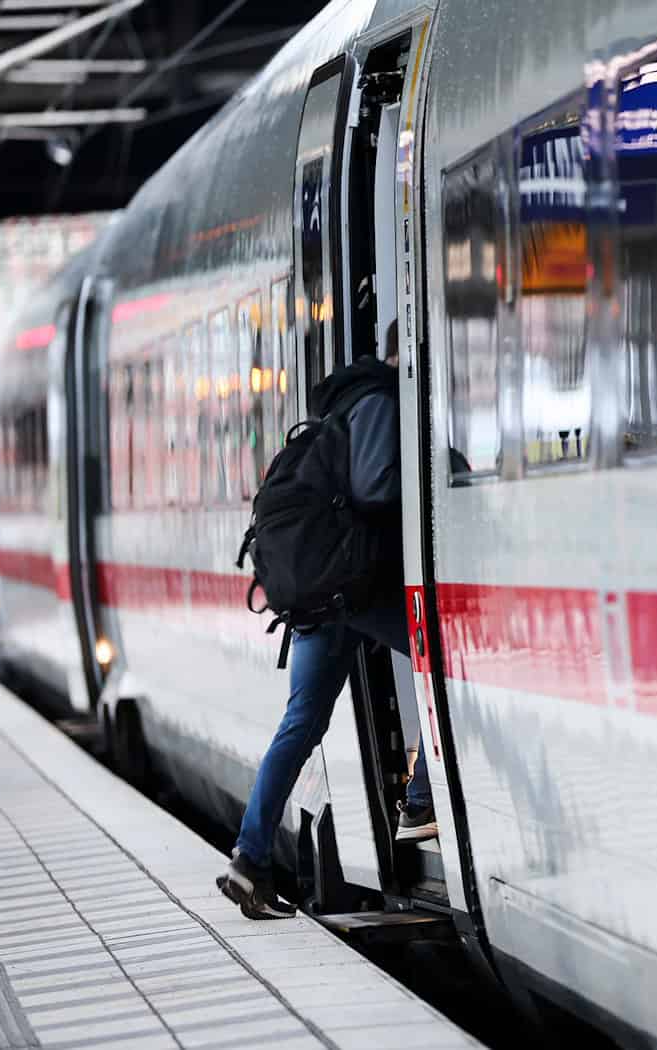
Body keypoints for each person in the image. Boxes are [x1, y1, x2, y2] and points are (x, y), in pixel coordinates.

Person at [218, 321, 436, 921]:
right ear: (404, 354)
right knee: (437, 654)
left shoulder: (338, 407)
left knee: (301, 721)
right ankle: (419, 799)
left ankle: (250, 857)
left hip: (316, 596)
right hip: (352, 589)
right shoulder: (382, 400)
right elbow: (375, 488)